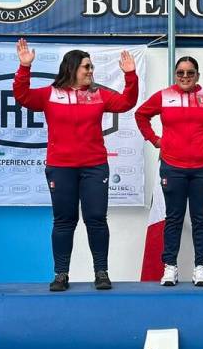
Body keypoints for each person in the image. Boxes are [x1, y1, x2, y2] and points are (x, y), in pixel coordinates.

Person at [14, 39, 138, 292]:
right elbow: (23, 96)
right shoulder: (50, 94)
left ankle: (101, 272)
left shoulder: (98, 94)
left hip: (94, 167)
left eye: (91, 67)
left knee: (96, 219)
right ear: (72, 69)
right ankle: (61, 274)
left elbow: (126, 103)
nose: (91, 71)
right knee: (64, 221)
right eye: (86, 67)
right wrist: (24, 68)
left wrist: (130, 75)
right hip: (61, 167)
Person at [135, 56, 203, 287]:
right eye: (180, 73)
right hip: (173, 167)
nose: (185, 77)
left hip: (202, 167)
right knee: (174, 218)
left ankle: (199, 268)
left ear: (198, 74)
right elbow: (141, 114)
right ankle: (170, 268)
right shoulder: (164, 96)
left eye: (190, 72)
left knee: (199, 219)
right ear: (175, 75)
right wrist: (156, 140)